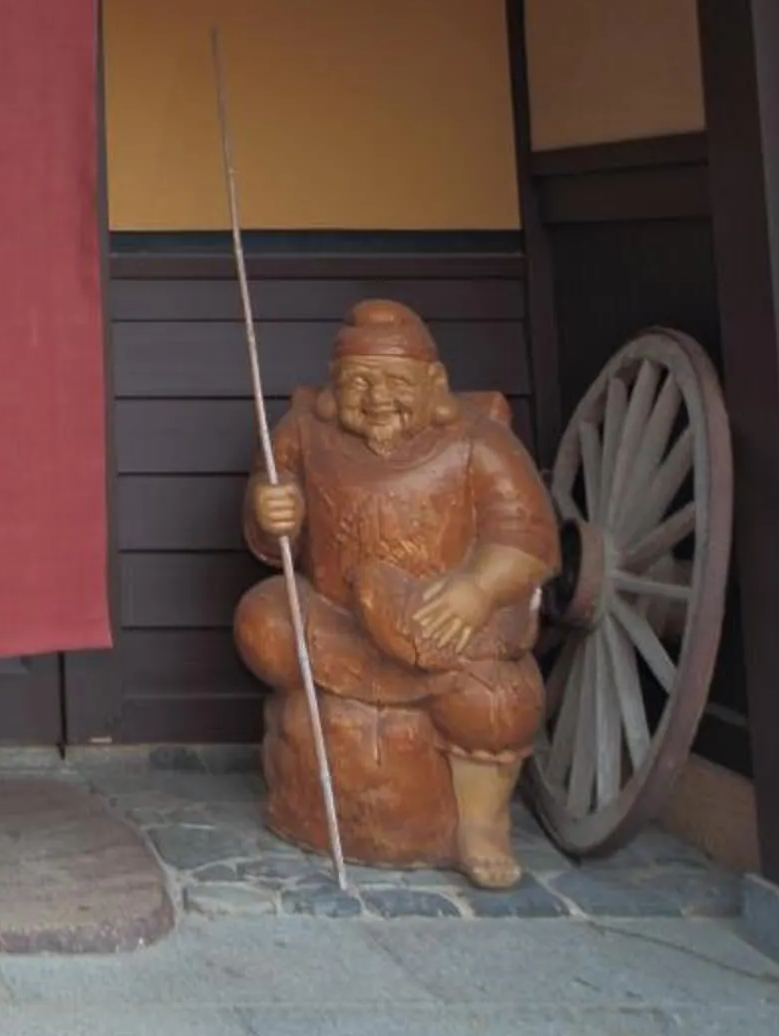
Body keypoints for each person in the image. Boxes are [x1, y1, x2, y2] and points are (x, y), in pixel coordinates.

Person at [235, 299, 556, 888]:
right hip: (338, 618)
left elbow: (527, 536)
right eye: (359, 382)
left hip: (447, 623)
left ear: (434, 384)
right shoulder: (305, 433)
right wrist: (272, 508)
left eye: (395, 383)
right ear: (333, 389)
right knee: (262, 618)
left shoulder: (478, 442)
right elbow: (271, 506)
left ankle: (479, 824)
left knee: (499, 703)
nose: (377, 398)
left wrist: (477, 591)